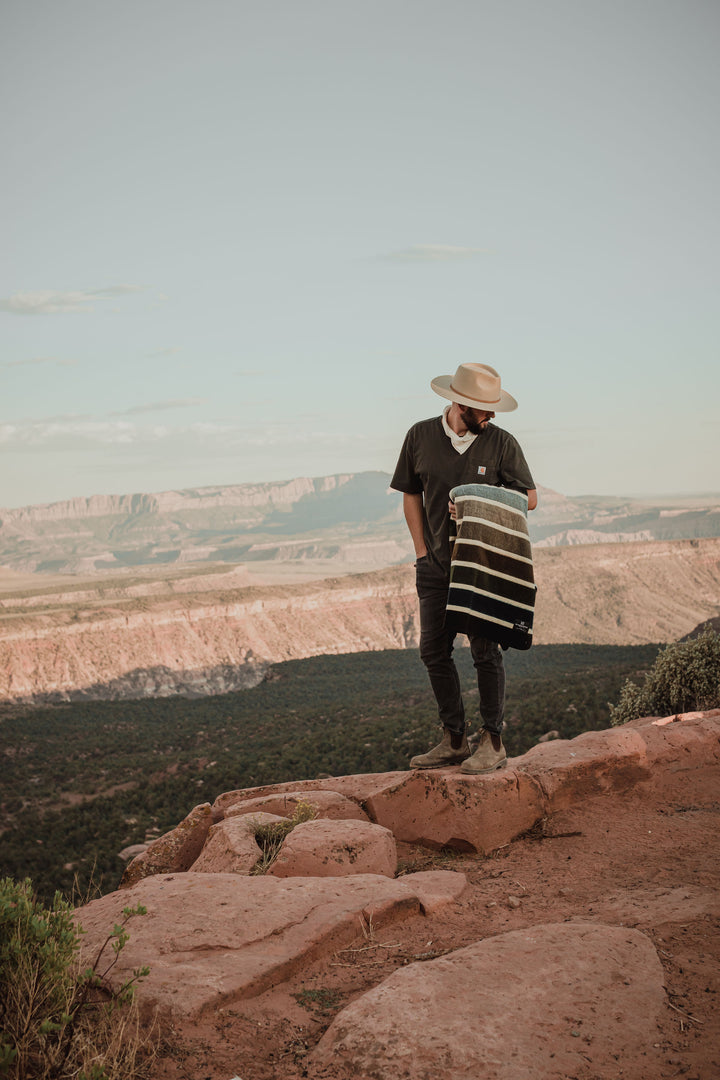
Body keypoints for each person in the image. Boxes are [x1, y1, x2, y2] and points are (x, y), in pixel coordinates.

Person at [391, 362, 537, 774]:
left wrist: (477, 499)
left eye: (493, 409)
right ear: (459, 403)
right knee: (433, 651)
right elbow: (409, 495)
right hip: (435, 565)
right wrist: (421, 552)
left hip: (481, 567)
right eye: (483, 408)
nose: (490, 416)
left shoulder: (501, 443)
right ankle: (454, 739)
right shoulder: (419, 435)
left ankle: (493, 741)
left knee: (485, 651)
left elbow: (529, 498)